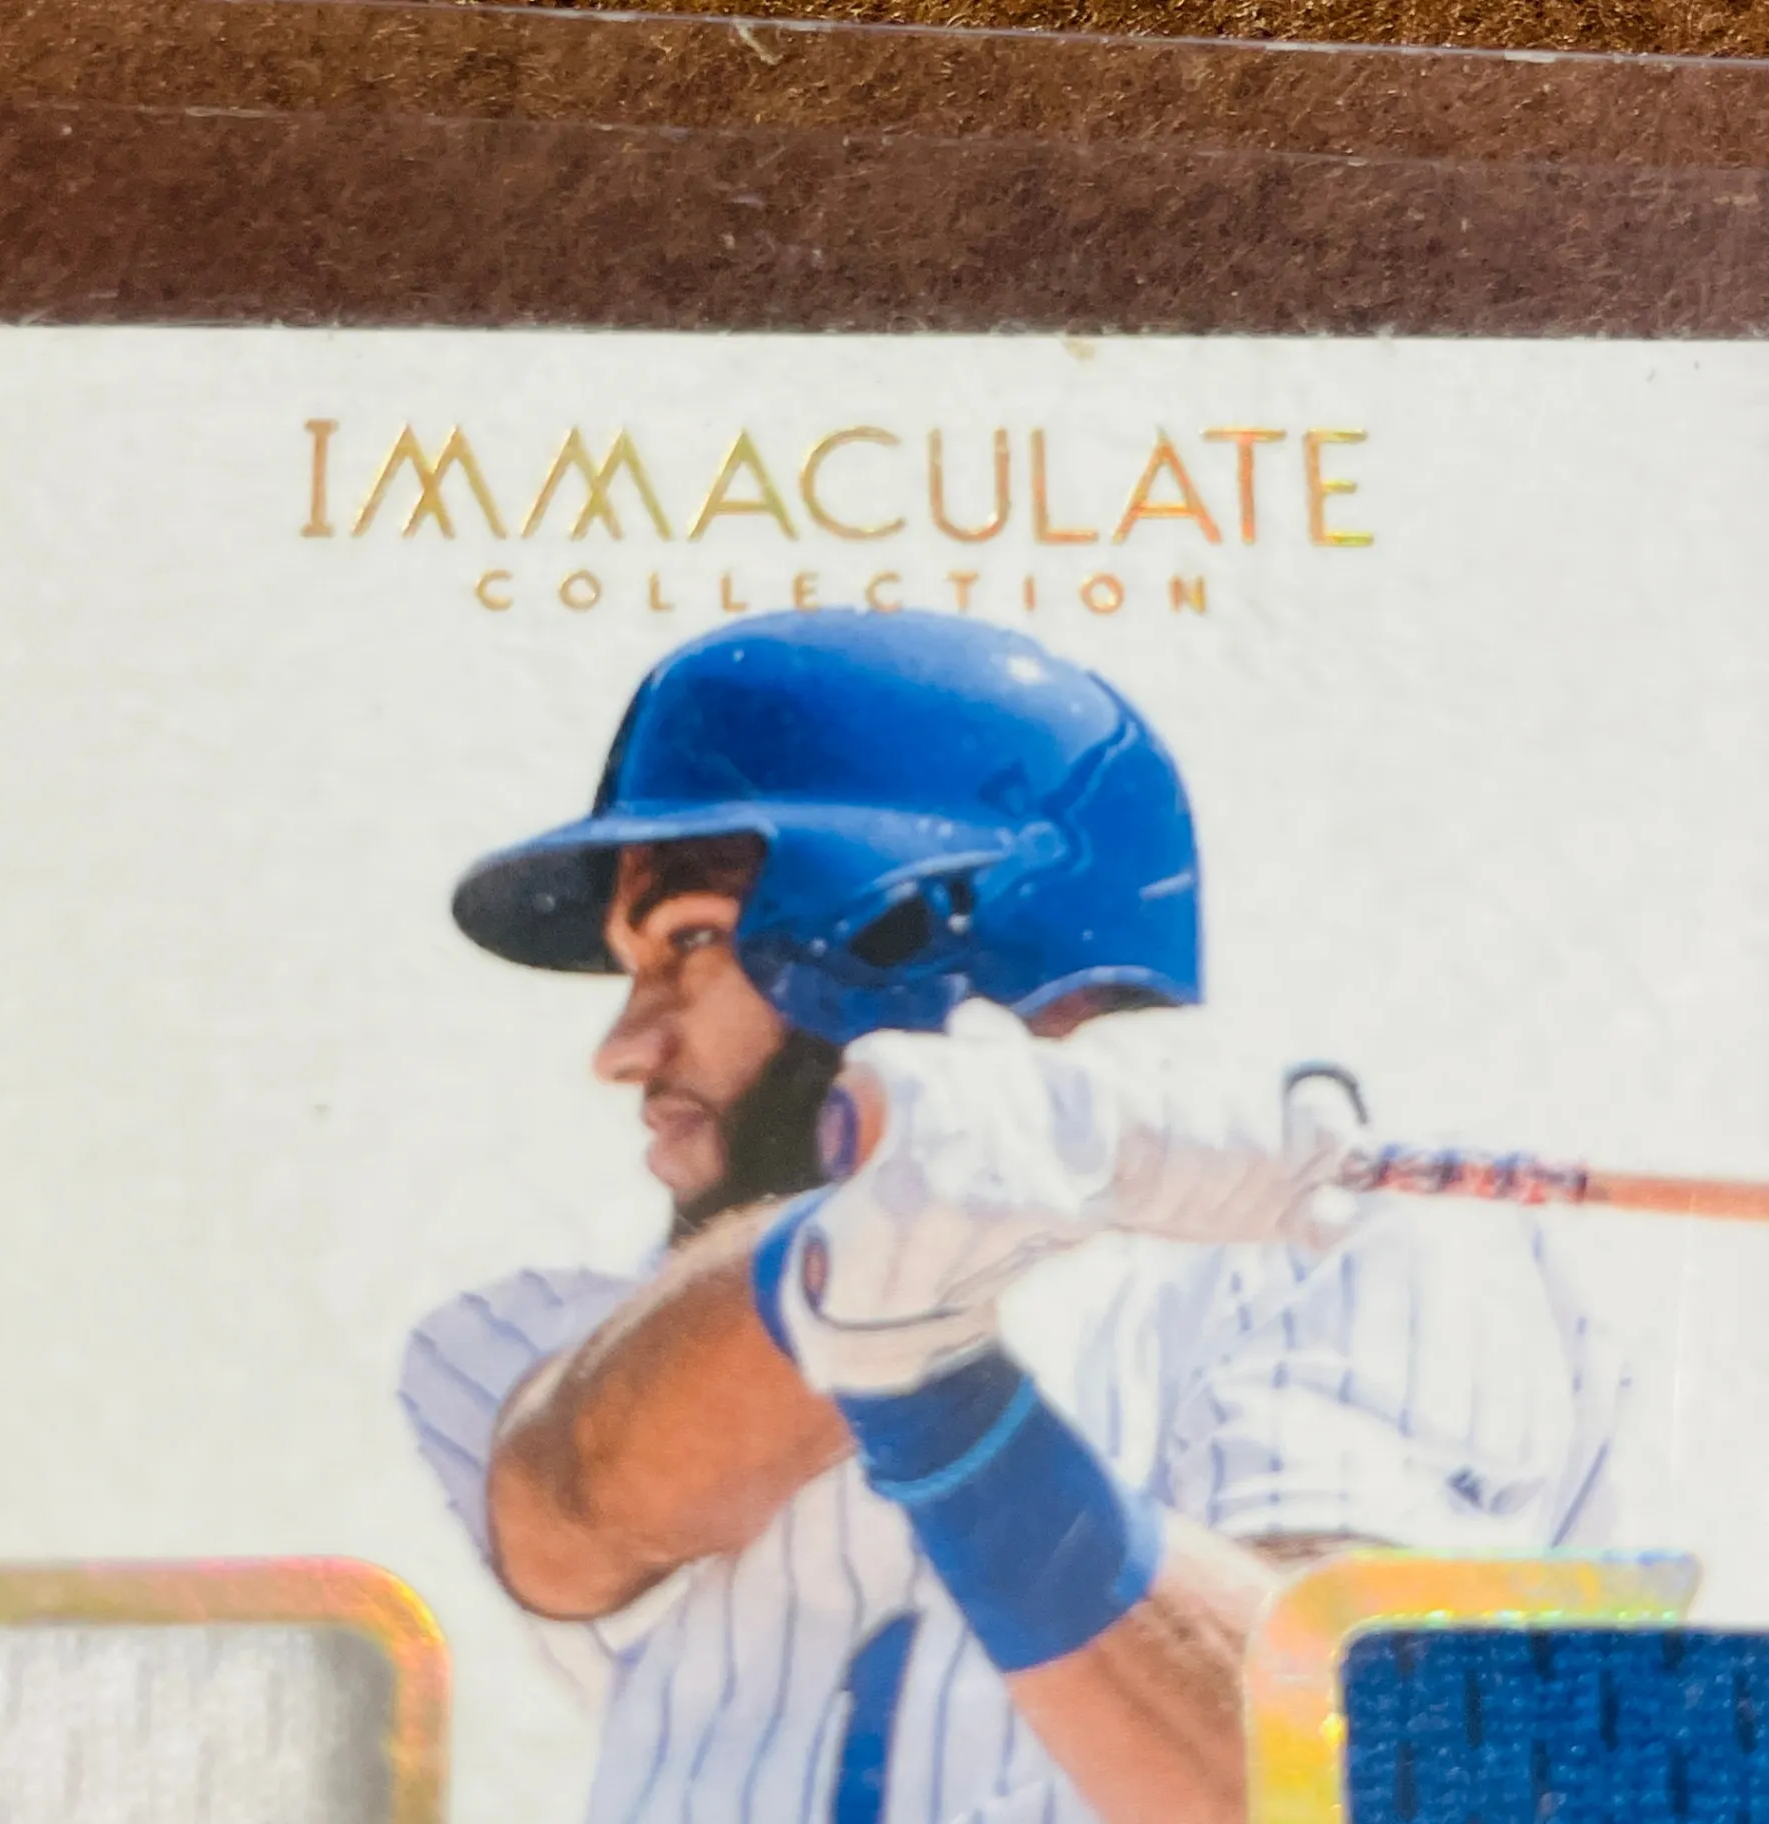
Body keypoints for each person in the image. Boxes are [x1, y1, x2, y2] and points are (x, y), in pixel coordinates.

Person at [400, 610, 1621, 1824]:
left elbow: (1344, 1780)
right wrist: (848, 1279)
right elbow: (573, 1508)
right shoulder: (593, 1335)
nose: (624, 1049)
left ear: (906, 927)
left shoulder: (1362, 1246)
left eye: (693, 944)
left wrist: (939, 1401)